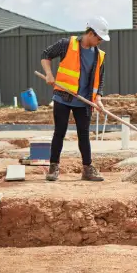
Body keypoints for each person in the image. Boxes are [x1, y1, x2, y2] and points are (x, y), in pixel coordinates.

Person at [39, 16, 110, 182]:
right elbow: (46, 54)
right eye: (99, 38)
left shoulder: (99, 55)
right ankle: (54, 167)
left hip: (84, 101)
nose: (100, 41)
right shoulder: (67, 44)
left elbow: (100, 79)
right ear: (90, 33)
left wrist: (98, 98)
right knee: (60, 132)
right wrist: (49, 74)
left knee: (84, 134)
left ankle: (87, 169)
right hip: (63, 97)